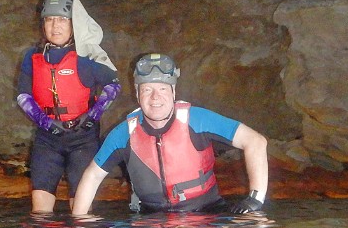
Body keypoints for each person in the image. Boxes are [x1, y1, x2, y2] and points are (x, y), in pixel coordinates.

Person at [72, 53, 268, 215]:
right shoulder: (123, 133)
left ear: (173, 92)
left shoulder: (198, 119)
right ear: (137, 94)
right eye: (147, 89)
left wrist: (255, 200)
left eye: (162, 89)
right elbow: (92, 176)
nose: (155, 97)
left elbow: (255, 141)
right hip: (151, 221)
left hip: (207, 214)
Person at [16, 0, 121, 213]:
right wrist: (45, 123)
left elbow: (113, 85)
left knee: (80, 211)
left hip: (83, 138)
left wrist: (91, 116)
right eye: (49, 19)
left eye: (62, 19)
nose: (55, 26)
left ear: (74, 24)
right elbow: (23, 96)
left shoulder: (88, 56)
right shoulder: (32, 57)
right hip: (47, 139)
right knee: (40, 211)